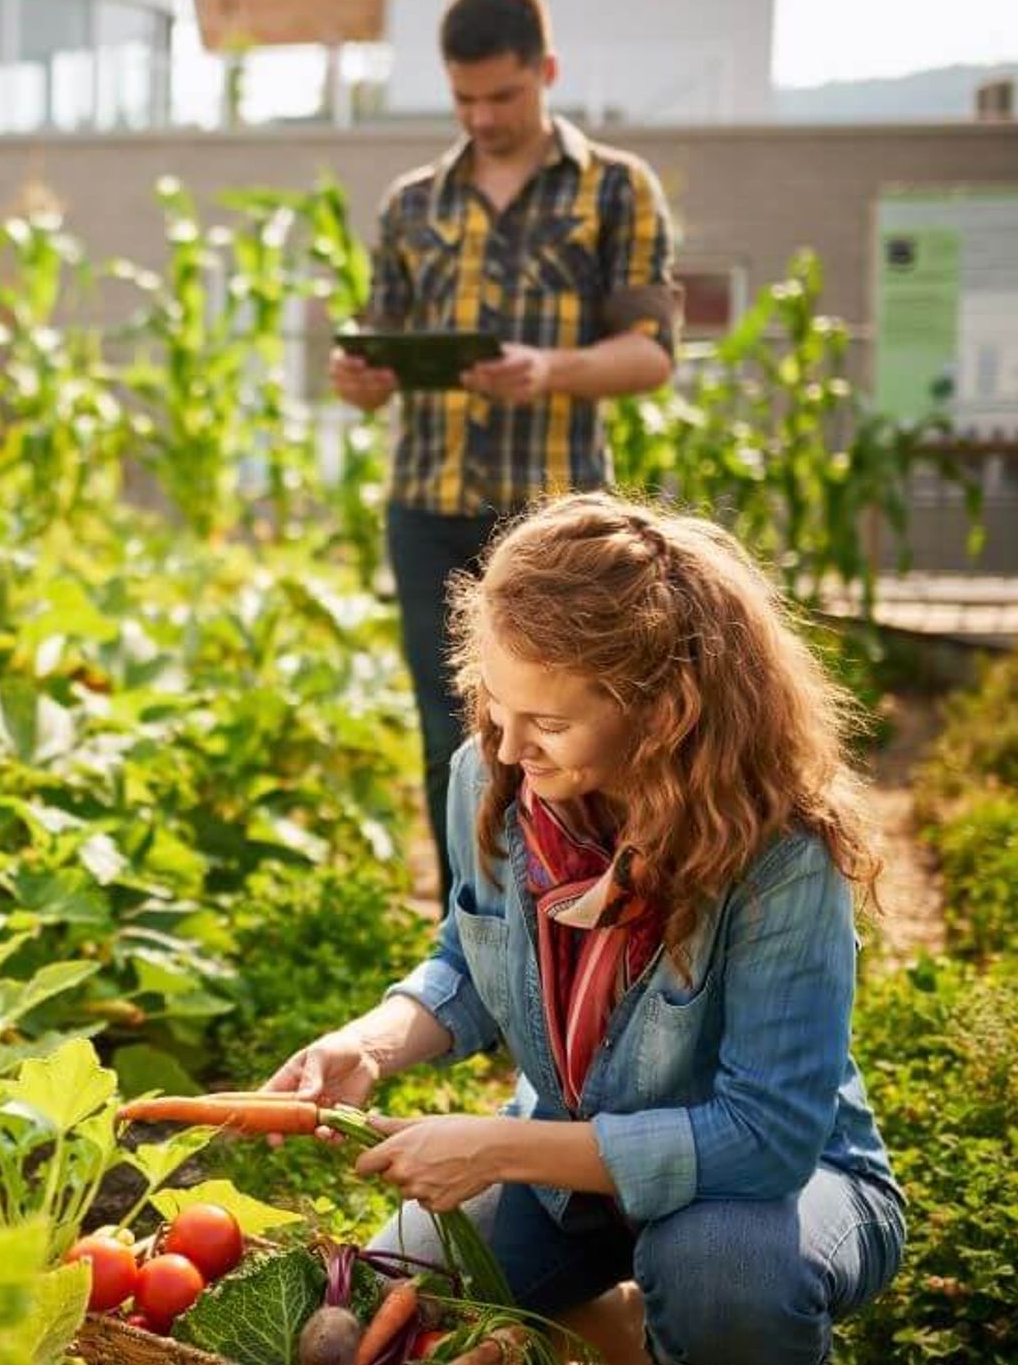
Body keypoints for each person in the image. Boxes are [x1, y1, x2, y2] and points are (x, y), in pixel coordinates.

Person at [263, 494, 905, 1365]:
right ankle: (625, 1332)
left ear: (663, 711)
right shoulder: (490, 779)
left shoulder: (778, 854)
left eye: (551, 722)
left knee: (719, 1268)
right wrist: (372, 1045)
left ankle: (676, 1321)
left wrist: (498, 1148)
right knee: (376, 1300)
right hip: (573, 1180)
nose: (508, 743)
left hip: (776, 1189)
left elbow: (764, 1140)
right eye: (495, 702)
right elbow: (469, 961)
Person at [330, 0, 680, 904]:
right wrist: (360, 379)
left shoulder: (615, 188)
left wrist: (549, 369)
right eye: (465, 100)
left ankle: (583, 913)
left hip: (556, 517)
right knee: (448, 728)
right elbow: (378, 343)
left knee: (573, 726)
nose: (483, 117)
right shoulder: (412, 205)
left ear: (546, 73)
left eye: (503, 97)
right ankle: (473, 935)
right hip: (428, 505)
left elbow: (651, 355)